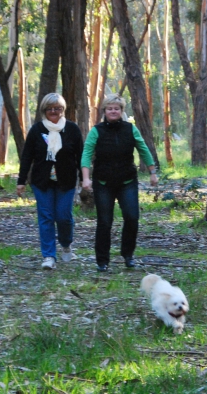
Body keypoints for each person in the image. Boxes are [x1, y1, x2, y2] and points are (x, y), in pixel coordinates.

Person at [81, 94, 158, 272]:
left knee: (132, 217)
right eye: (110, 108)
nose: (113, 111)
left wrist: (152, 172)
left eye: (117, 108)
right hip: (103, 183)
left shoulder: (130, 129)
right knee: (105, 221)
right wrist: (86, 178)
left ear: (122, 111)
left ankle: (128, 255)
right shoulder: (96, 130)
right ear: (105, 111)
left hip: (127, 181)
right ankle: (102, 261)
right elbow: (86, 154)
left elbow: (143, 149)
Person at [17, 93, 83, 270]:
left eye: (58, 108)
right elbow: (27, 157)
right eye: (50, 109)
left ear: (63, 110)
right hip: (41, 182)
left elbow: (81, 156)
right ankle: (48, 256)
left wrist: (85, 179)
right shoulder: (37, 130)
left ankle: (66, 244)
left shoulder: (72, 129)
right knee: (46, 217)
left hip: (66, 181)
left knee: (64, 216)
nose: (54, 111)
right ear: (44, 110)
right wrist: (21, 180)